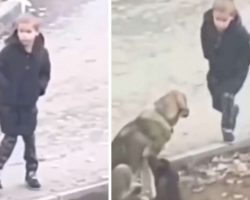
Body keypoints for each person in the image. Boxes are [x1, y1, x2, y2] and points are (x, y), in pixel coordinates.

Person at [0, 13, 51, 189]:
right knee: (9, 139)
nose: (24, 35)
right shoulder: (7, 52)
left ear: (36, 32)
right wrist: (6, 88)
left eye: (28, 31)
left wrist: (39, 88)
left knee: (30, 140)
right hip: (9, 104)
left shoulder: (42, 53)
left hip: (29, 104)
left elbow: (45, 73)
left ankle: (32, 172)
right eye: (21, 31)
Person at [201, 0, 250, 142]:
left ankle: (227, 130)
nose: (220, 23)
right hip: (216, 70)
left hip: (236, 72)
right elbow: (205, 44)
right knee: (217, 103)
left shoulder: (240, 33)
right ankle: (231, 112)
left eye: (224, 20)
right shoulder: (207, 25)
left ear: (232, 17)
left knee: (226, 96)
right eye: (217, 19)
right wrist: (211, 52)